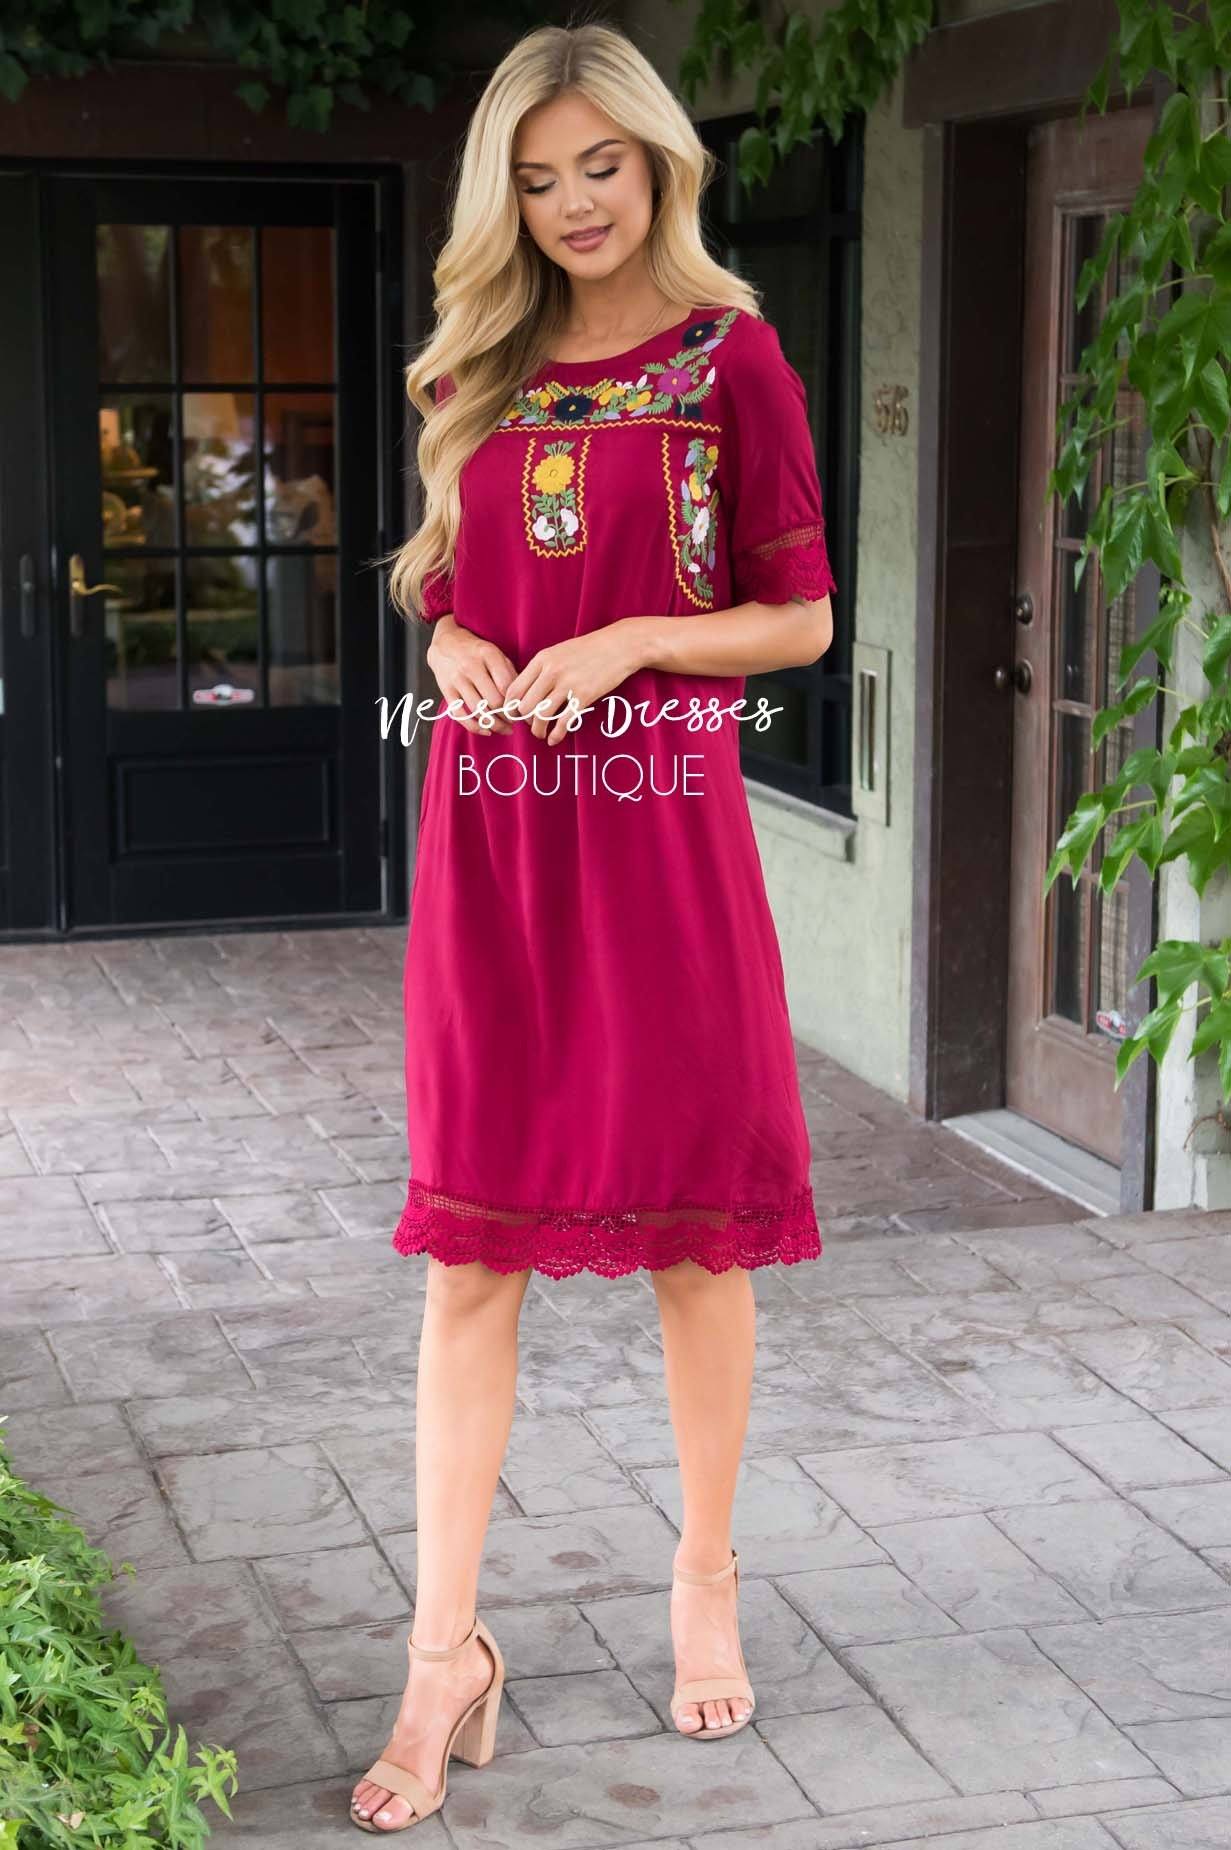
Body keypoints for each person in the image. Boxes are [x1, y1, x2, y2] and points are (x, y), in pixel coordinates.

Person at [351, 19, 837, 1834]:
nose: (571, 204)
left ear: (657, 161)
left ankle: (703, 1573)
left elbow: (798, 616)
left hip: (660, 837)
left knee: (693, 1238)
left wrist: (634, 639)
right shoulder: (474, 360)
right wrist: (452, 643)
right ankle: (443, 1654)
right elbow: (450, 584)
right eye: (537, 177)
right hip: (494, 838)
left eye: (598, 167)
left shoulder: (732, 360)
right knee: (469, 1253)